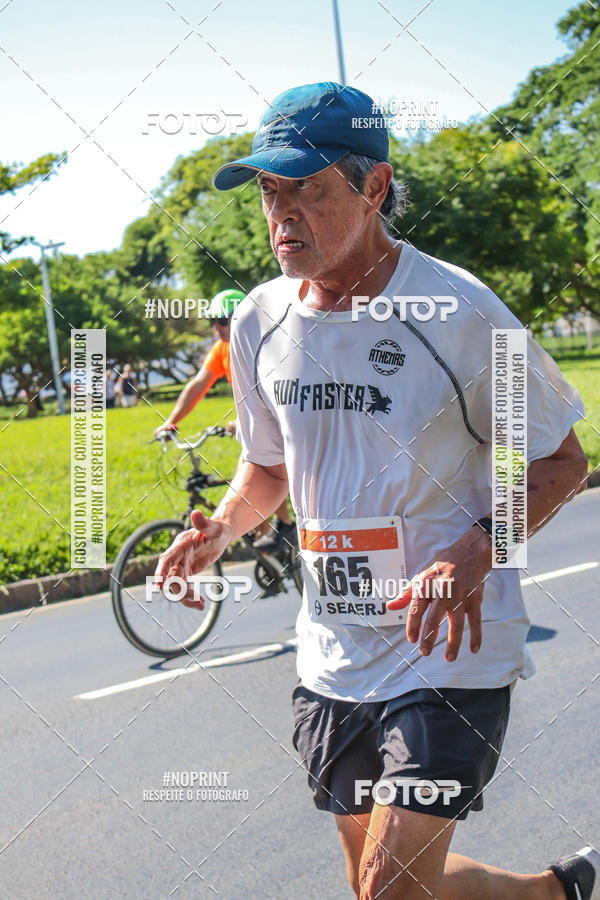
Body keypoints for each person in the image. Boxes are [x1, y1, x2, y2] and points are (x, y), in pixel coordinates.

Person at [154, 83, 598, 900]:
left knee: (391, 890)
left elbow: (559, 462)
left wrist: (476, 550)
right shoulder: (257, 321)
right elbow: (271, 471)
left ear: (375, 188)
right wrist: (220, 530)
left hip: (448, 649)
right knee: (380, 888)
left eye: (310, 190)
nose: (283, 214)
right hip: (333, 652)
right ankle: (551, 893)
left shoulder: (462, 313)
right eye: (270, 192)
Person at [154, 289, 295, 547]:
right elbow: (198, 386)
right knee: (254, 472)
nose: (216, 328)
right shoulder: (222, 349)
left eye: (222, 320)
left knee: (256, 471)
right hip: (254, 424)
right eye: (212, 321)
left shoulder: (264, 344)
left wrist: (242, 424)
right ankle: (276, 529)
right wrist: (171, 421)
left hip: (277, 423)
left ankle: (284, 528)